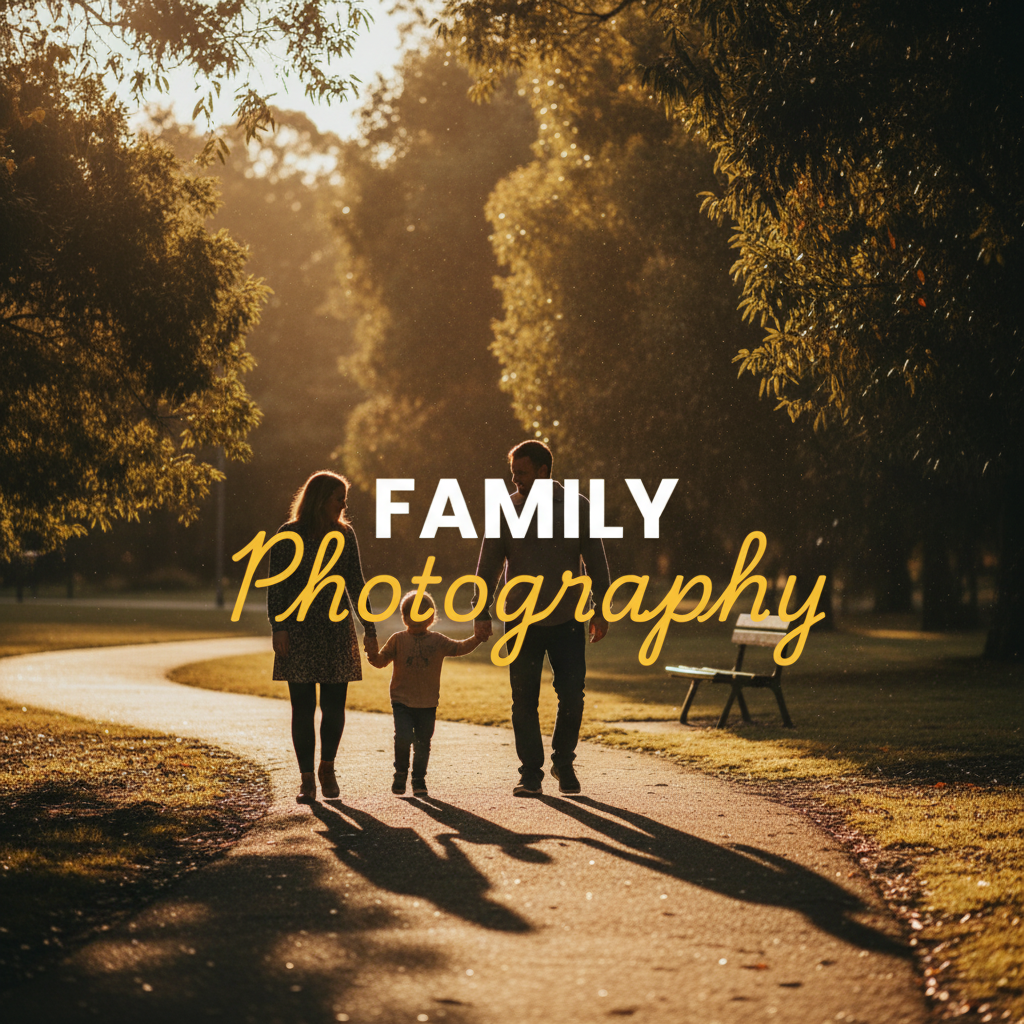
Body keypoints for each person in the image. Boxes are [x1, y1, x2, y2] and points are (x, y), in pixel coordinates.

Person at [473, 441, 610, 796]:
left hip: (566, 618)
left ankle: (563, 763)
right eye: (513, 472)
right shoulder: (506, 507)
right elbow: (488, 565)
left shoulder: (577, 507)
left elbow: (596, 560)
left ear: (543, 471)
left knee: (572, 696)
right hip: (520, 619)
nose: (514, 479)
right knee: (524, 699)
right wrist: (481, 610)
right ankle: (530, 773)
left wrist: (601, 609)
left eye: (521, 472)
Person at [267, 471, 378, 802]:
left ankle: (326, 768)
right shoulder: (289, 535)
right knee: (302, 708)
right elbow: (277, 585)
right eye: (338, 498)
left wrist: (369, 629)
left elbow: (356, 583)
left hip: (335, 629)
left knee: (334, 707)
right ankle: (306, 779)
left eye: (344, 498)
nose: (343, 505)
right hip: (298, 629)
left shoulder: (345, 535)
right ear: (318, 499)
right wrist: (279, 627)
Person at [368, 590, 484, 797]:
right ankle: (401, 773)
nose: (416, 619)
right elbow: (381, 661)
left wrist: (477, 639)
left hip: (428, 702)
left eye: (422, 614)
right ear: (404, 617)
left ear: (431, 618)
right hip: (401, 700)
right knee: (403, 737)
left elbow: (459, 647)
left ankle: (419, 779)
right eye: (412, 614)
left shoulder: (437, 641)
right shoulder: (397, 640)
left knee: (423, 742)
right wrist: (372, 655)